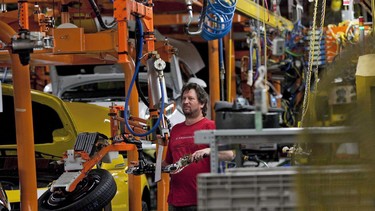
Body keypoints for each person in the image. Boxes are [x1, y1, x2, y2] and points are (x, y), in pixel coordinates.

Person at [163, 83, 234, 211]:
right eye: (184, 98)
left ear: (202, 103)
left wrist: (209, 150)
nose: (185, 102)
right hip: (175, 201)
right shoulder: (175, 129)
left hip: (202, 201)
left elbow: (229, 154)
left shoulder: (211, 126)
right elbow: (167, 163)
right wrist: (148, 165)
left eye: (190, 98)